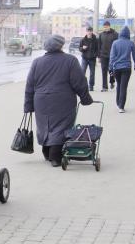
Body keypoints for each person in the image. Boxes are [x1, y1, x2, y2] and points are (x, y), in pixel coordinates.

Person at [24, 35, 93, 167]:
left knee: (45, 125)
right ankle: (55, 156)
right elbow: (79, 82)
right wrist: (85, 98)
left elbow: (29, 85)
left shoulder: (37, 62)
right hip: (63, 100)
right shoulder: (70, 61)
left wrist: (28, 105)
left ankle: (46, 151)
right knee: (61, 126)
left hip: (41, 100)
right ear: (61, 45)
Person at [109, 26, 135, 113]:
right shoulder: (130, 43)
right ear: (128, 34)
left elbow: (112, 57)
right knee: (123, 87)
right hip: (126, 68)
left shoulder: (115, 43)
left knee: (119, 85)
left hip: (116, 68)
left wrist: (110, 68)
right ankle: (121, 107)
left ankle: (118, 103)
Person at [98, 21, 118, 91]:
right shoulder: (101, 35)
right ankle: (104, 87)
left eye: (106, 27)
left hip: (112, 56)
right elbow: (99, 46)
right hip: (103, 55)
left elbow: (117, 45)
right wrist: (99, 57)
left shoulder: (115, 34)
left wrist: (116, 55)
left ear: (109, 26)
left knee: (111, 70)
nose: (105, 28)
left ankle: (112, 82)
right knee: (103, 71)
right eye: (104, 27)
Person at [79, 26, 99, 91]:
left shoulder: (95, 40)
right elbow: (79, 48)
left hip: (92, 59)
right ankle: (83, 85)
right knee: (82, 72)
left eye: (90, 31)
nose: (89, 32)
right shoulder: (83, 40)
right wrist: (82, 48)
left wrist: (95, 55)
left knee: (92, 73)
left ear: (92, 31)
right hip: (84, 58)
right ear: (86, 32)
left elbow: (97, 49)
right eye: (88, 31)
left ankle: (91, 86)